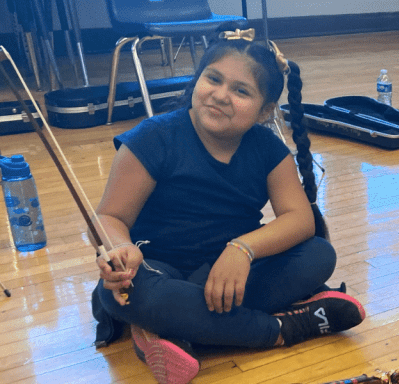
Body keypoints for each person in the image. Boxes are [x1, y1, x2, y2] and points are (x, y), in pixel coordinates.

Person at [90, 30, 364, 384]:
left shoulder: (267, 149)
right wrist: (122, 248)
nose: (220, 96)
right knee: (128, 293)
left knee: (318, 255)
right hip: (159, 269)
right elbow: (109, 217)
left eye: (241, 90)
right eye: (213, 79)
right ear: (197, 80)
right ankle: (283, 328)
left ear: (266, 110)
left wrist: (242, 249)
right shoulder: (153, 137)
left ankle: (169, 329)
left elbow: (300, 220)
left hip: (228, 273)